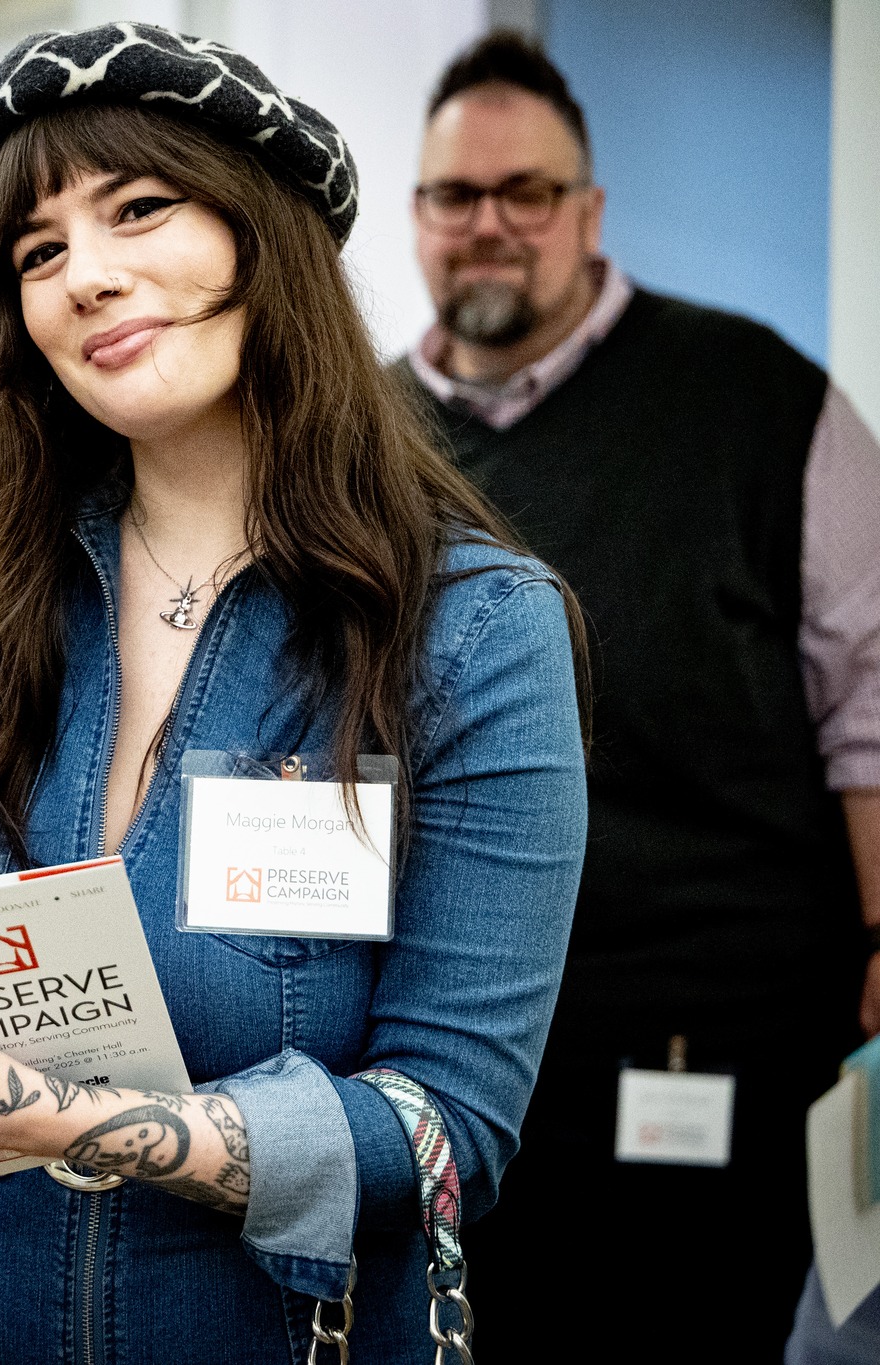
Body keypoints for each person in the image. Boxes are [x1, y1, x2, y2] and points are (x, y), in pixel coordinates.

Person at [0, 24, 589, 1364]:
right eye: (39, 252)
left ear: (261, 238)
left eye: (140, 209)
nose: (86, 278)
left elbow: (445, 1125)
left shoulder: (469, 632)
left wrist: (48, 1117)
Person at [395, 33, 880, 1363]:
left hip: (711, 1030)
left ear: (589, 211)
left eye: (528, 193)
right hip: (442, 1031)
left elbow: (873, 694)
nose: (489, 225)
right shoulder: (358, 442)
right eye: (455, 197)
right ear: (416, 214)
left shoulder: (760, 399)